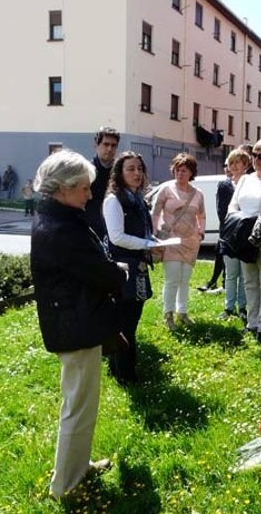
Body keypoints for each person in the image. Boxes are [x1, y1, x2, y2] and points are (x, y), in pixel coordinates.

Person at [30, 149, 126, 500]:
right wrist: (121, 271)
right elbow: (100, 272)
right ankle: (66, 485)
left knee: (80, 403)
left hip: (75, 321)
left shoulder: (58, 218)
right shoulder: (61, 228)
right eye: (84, 188)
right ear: (64, 188)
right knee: (78, 407)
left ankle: (77, 467)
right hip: (76, 325)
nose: (89, 194)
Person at [103, 151, 156, 383]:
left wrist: (155, 241)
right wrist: (148, 243)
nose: (137, 173)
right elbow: (116, 237)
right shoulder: (113, 199)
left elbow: (142, 230)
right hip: (123, 268)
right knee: (125, 322)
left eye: (139, 168)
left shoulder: (139, 199)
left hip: (139, 268)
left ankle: (119, 369)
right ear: (119, 173)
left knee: (131, 320)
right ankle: (125, 374)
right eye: (130, 169)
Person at [228, 137, 261, 340]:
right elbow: (232, 205)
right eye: (254, 155)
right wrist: (239, 220)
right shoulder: (245, 179)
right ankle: (252, 321)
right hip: (244, 237)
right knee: (249, 281)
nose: (256, 159)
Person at [152, 153, 206, 330]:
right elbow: (155, 212)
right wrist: (154, 234)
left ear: (191, 173)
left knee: (185, 279)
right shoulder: (166, 189)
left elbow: (202, 215)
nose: (180, 173)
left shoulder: (198, 194)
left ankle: (182, 312)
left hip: (191, 242)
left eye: (184, 170)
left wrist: (201, 232)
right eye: (177, 170)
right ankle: (168, 315)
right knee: (172, 278)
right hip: (171, 241)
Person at [218, 150, 249, 320]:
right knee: (230, 275)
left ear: (246, 164)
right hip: (229, 236)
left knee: (245, 276)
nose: (234, 166)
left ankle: (243, 307)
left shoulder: (251, 184)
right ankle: (229, 307)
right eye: (231, 163)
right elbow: (222, 212)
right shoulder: (224, 186)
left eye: (238, 162)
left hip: (245, 237)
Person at [85, 126, 120, 240]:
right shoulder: (87, 171)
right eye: (106, 144)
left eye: (113, 145)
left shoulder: (120, 172)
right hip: (91, 230)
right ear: (96, 145)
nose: (109, 149)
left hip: (115, 230)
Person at [198, 164, 228, 293]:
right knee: (220, 254)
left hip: (233, 228)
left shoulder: (240, 183)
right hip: (224, 227)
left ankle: (222, 283)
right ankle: (214, 281)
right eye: (226, 165)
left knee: (226, 256)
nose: (227, 167)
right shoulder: (223, 184)